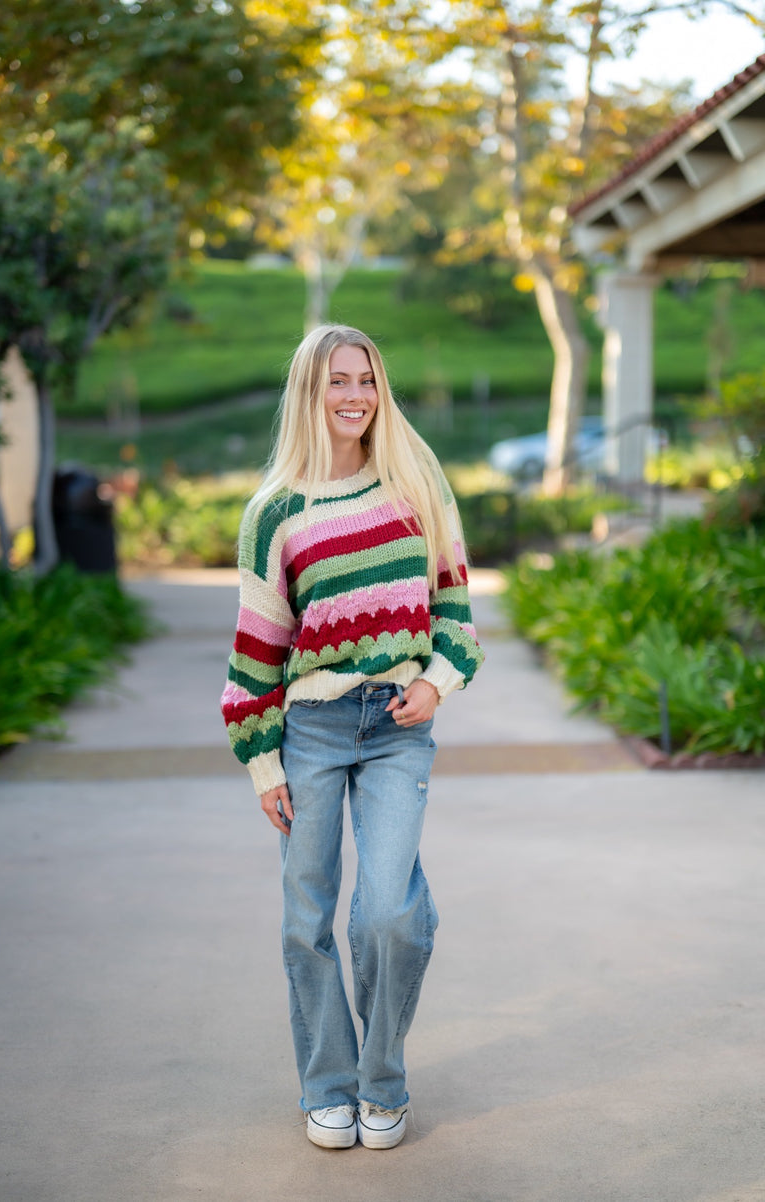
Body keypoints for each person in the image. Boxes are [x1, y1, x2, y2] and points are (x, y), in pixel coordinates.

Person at [221, 324, 484, 1150]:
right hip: (313, 731)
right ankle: (328, 1088)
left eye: (366, 380)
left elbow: (456, 611)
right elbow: (257, 650)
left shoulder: (414, 479)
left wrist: (434, 683)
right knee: (307, 919)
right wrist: (263, 764)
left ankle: (383, 1079)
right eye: (338, 381)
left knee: (387, 919)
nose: (355, 397)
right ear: (310, 389)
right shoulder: (276, 514)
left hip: (398, 725)